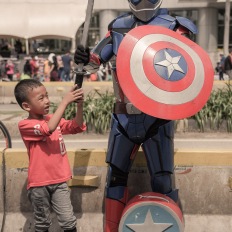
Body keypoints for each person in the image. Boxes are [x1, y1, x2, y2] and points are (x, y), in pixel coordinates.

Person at [74, 0, 198, 231]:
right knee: (115, 178)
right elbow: (93, 63)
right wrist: (83, 58)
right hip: (123, 117)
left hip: (158, 117)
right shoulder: (119, 27)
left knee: (162, 179)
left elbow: (190, 67)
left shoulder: (175, 27)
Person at [14, 79, 86, 232]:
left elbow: (76, 126)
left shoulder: (51, 119)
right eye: (41, 98)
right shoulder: (25, 125)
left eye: (47, 96)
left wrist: (79, 105)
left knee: (68, 221)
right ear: (26, 106)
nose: (47, 101)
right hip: (39, 184)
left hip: (60, 180)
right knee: (42, 223)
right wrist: (65, 102)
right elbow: (48, 128)